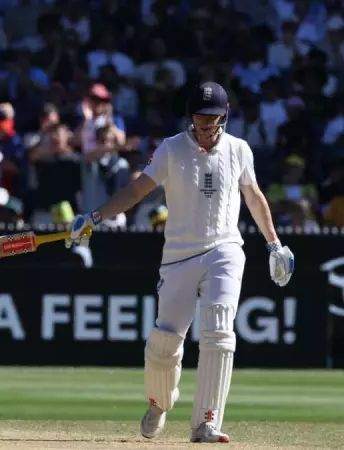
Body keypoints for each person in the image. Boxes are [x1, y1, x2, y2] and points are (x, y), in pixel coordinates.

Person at [66, 82, 295, 443]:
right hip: (178, 257)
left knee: (219, 330)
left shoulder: (239, 150)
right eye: (199, 120)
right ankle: (159, 403)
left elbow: (253, 195)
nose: (205, 128)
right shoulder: (172, 149)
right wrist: (95, 216)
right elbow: (138, 189)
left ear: (225, 116)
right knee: (165, 342)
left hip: (225, 251)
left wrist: (275, 244)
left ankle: (206, 422)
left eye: (212, 120)